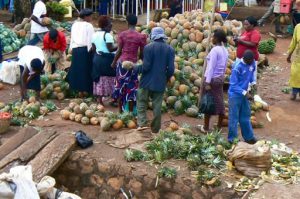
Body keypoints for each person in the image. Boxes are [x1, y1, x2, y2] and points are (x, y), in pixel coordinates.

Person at [136, 27, 175, 133]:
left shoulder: (148, 47)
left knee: (142, 101)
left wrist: (136, 68)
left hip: (146, 81)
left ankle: (142, 123)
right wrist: (166, 78)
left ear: (153, 36)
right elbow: (171, 69)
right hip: (160, 81)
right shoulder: (170, 49)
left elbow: (146, 67)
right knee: (157, 105)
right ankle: (155, 128)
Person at [112, 14, 147, 113]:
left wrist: (114, 62)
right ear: (136, 23)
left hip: (122, 65)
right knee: (132, 88)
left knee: (120, 87)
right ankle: (131, 113)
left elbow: (119, 51)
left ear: (127, 22)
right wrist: (142, 63)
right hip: (133, 65)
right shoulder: (141, 36)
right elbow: (143, 53)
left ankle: (120, 112)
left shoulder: (122, 35)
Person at [199, 29, 229, 133]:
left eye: (213, 37)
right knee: (219, 101)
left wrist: (207, 82)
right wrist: (222, 77)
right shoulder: (225, 50)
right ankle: (219, 126)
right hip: (220, 78)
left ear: (216, 38)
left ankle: (206, 127)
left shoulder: (215, 50)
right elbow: (224, 66)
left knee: (208, 103)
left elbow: (211, 67)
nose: (212, 38)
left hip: (211, 79)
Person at [228, 50, 257, 144]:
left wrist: (253, 84)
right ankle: (232, 139)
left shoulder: (252, 63)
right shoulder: (237, 67)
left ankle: (249, 137)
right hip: (235, 95)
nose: (251, 63)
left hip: (245, 93)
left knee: (245, 116)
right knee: (234, 118)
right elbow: (233, 85)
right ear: (244, 59)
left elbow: (251, 75)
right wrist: (245, 93)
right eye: (249, 61)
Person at [67, 9, 94, 96]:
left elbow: (72, 38)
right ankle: (86, 90)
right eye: (90, 16)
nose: (91, 18)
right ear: (86, 17)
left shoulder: (74, 25)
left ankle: (78, 90)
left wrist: (71, 49)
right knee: (85, 70)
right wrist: (91, 51)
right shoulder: (88, 26)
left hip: (75, 49)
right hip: (85, 50)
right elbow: (90, 40)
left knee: (77, 69)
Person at [91, 16, 118, 105]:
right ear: (106, 26)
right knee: (110, 77)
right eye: (110, 24)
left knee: (100, 78)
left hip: (97, 58)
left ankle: (100, 100)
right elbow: (110, 49)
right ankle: (112, 98)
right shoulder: (107, 35)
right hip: (107, 59)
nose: (111, 26)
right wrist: (120, 45)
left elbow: (93, 48)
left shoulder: (94, 34)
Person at [235, 16, 261, 85]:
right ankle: (243, 91)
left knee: (250, 77)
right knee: (241, 76)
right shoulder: (244, 32)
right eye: (244, 24)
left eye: (247, 24)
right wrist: (236, 40)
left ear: (252, 25)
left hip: (250, 60)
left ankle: (251, 91)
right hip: (241, 58)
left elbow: (253, 44)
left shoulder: (255, 33)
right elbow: (239, 42)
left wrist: (240, 41)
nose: (244, 26)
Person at [287, 23, 300, 100]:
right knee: (295, 73)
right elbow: (294, 42)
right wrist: (289, 54)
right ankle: (294, 92)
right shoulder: (298, 27)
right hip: (298, 57)